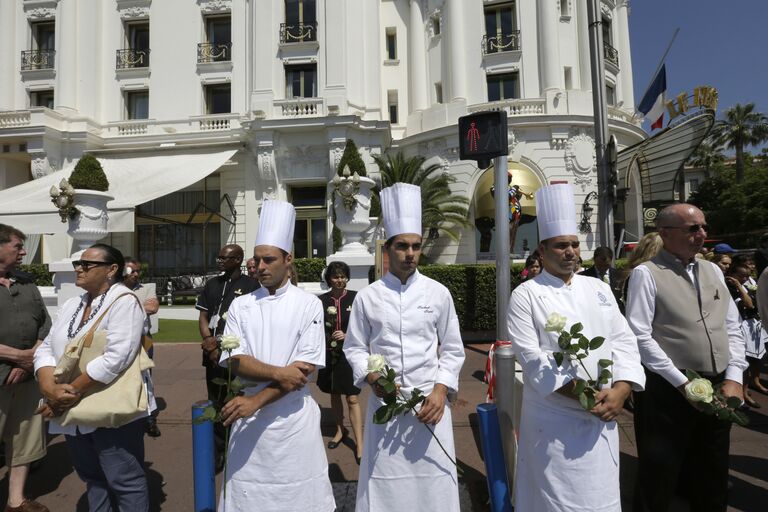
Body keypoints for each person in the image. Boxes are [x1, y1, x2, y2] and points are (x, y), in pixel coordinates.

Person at [507, 184, 645, 511]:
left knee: (601, 499)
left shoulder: (598, 288)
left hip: (604, 415)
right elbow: (532, 359)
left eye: (573, 244)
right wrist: (587, 396)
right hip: (553, 423)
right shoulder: (525, 295)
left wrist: (622, 390)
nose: (570, 251)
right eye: (560, 246)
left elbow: (623, 340)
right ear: (541, 250)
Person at [344, 183, 466, 512]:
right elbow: (354, 348)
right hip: (385, 409)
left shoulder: (438, 294)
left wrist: (441, 391)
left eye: (415, 246)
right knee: (386, 487)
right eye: (402, 246)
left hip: (431, 405)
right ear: (388, 247)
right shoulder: (368, 297)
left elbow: (453, 350)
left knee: (434, 486)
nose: (410, 253)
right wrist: (373, 379)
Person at [626, 204, 747, 512]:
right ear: (665, 233)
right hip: (668, 389)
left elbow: (731, 325)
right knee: (660, 474)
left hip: (719, 384)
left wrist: (734, 376)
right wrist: (683, 385)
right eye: (693, 229)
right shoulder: (647, 274)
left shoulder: (713, 270)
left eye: (704, 227)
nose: (702, 234)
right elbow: (640, 336)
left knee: (713, 469)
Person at [215, 199, 335, 511]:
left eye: (269, 259)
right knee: (248, 496)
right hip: (247, 422)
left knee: (299, 496)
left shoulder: (308, 304)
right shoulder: (241, 305)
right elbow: (235, 360)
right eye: (257, 260)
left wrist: (255, 400)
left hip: (293, 418)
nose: (261, 266)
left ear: (287, 259)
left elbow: (303, 371)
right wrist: (281, 372)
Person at [34, 243, 154, 511]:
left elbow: (117, 358)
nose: (79, 268)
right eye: (78, 263)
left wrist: (65, 395)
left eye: (87, 264)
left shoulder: (124, 302)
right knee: (92, 478)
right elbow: (46, 347)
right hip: (73, 408)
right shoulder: (72, 304)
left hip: (109, 407)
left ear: (112, 269)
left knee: (124, 480)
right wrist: (47, 385)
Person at [0, 224, 51, 512]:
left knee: (25, 440)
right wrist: (19, 356)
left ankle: (16, 501)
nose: (23, 252)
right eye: (17, 246)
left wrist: (30, 358)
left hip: (27, 377)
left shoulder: (26, 281)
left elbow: (45, 322)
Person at [197, 244, 258, 471]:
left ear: (238, 259)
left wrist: (224, 345)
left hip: (237, 356)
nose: (220, 261)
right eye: (219, 256)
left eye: (225, 257)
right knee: (216, 401)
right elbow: (204, 316)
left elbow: (251, 322)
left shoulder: (251, 285)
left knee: (237, 400)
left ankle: (239, 449)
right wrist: (208, 342)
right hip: (212, 356)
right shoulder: (212, 284)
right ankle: (218, 452)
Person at [316, 261, 363, 464]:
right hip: (328, 353)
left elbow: (364, 326)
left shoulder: (356, 298)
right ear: (329, 279)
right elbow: (315, 326)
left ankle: (360, 443)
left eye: (343, 276)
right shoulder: (321, 301)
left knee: (352, 398)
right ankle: (339, 429)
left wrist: (347, 334)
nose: (340, 280)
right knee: (334, 395)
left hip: (350, 354)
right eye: (336, 276)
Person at [123, 257, 162, 437]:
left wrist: (123, 309)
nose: (137, 274)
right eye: (133, 271)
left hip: (144, 339)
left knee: (146, 377)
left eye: (139, 271)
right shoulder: (113, 289)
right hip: (121, 339)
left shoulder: (146, 288)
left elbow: (152, 307)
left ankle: (149, 418)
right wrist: (139, 306)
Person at [725, 262, 766, 407]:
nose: (744, 279)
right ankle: (743, 390)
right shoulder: (730, 286)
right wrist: (737, 285)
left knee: (758, 358)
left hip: (753, 324)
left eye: (747, 276)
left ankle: (755, 382)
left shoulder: (750, 284)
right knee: (745, 360)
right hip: (741, 325)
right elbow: (749, 304)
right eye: (740, 276)